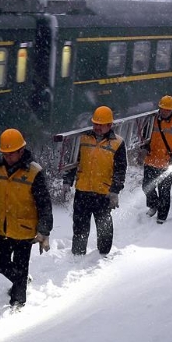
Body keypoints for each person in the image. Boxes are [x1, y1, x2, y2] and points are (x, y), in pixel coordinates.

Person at [0, 128, 53, 308]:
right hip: (3, 228)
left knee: (20, 267)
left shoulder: (34, 172)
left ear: (22, 150)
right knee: (0, 263)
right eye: (5, 153)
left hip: (25, 230)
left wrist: (44, 230)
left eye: (12, 153)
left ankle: (18, 304)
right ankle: (21, 280)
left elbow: (44, 204)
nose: (8, 157)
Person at [63, 106, 126, 254]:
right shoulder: (83, 138)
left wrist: (115, 191)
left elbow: (120, 170)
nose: (97, 127)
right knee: (80, 226)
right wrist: (67, 180)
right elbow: (72, 162)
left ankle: (103, 254)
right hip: (83, 191)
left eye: (100, 124)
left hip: (104, 193)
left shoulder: (117, 143)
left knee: (104, 225)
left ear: (109, 125)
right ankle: (78, 255)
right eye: (95, 124)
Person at [142, 96, 172, 224]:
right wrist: (144, 147)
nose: (163, 112)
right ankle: (153, 205)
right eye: (162, 109)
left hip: (167, 163)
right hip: (151, 160)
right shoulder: (152, 120)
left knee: (164, 191)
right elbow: (146, 137)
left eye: (167, 110)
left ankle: (162, 217)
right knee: (146, 186)